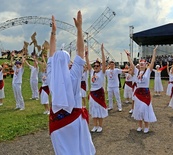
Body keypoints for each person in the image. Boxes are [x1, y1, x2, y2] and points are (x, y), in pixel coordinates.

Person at [47, 11, 95, 155]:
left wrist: (53, 33)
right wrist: (79, 29)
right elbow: (80, 52)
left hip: (57, 122)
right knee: (78, 149)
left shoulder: (51, 76)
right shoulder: (73, 76)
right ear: (68, 62)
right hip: (74, 120)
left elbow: (51, 54)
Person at [125, 46, 157, 134]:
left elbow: (153, 61)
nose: (142, 64)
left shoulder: (148, 71)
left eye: (144, 62)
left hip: (145, 92)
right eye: (141, 62)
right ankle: (139, 125)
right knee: (138, 109)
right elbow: (131, 64)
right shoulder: (136, 71)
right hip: (138, 92)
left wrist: (154, 52)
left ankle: (146, 126)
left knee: (145, 109)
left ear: (146, 64)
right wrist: (128, 56)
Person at [87, 44, 108, 133]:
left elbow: (103, 62)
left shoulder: (102, 73)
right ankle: (95, 125)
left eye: (97, 66)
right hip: (92, 93)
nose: (95, 67)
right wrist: (86, 55)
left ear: (100, 67)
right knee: (93, 109)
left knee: (99, 109)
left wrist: (102, 51)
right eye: (94, 66)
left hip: (99, 92)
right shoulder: (92, 72)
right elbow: (88, 64)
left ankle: (100, 126)